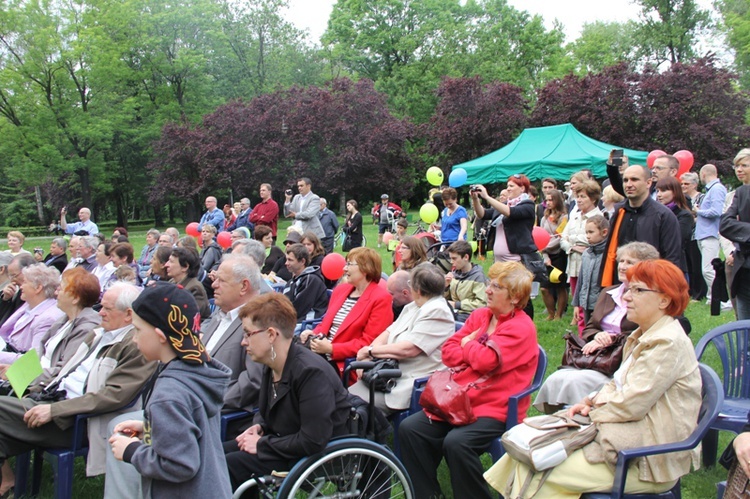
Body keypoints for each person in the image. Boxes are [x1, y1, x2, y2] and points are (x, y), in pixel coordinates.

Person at [486, 259, 700, 498]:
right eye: (628, 289)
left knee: (542, 467)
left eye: (638, 290)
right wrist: (590, 400)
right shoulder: (645, 334)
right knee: (526, 455)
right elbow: (618, 384)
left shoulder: (666, 342)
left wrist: (590, 413)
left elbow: (632, 403)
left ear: (665, 300)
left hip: (647, 459)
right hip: (626, 439)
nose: (627, 297)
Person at [399, 261, 539, 499]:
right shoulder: (481, 316)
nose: (488, 290)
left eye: (496, 286)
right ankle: (428, 494)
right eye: (489, 283)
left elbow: (485, 362)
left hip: (495, 407)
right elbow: (449, 352)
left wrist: (468, 344)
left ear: (515, 297)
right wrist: (471, 349)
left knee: (457, 443)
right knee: (410, 429)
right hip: (458, 400)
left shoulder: (521, 328)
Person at [0, 283, 157, 489]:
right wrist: (23, 380)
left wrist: (54, 409)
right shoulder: (98, 333)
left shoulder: (135, 345)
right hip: (51, 401)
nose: (99, 312)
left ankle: (8, 482)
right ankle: (8, 482)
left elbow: (113, 396)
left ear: (128, 314)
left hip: (76, 421)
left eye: (107, 309)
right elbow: (61, 371)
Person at [108, 283, 232, 499]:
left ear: (160, 335)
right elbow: (190, 431)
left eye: (137, 330)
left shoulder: (169, 394)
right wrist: (151, 427)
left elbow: (179, 464)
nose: (134, 338)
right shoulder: (196, 372)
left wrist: (132, 451)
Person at [223, 293, 352, 492]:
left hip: (313, 455)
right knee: (217, 455)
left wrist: (262, 444)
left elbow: (313, 439)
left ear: (271, 335)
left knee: (229, 465)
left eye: (248, 334)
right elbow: (268, 410)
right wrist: (258, 427)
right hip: (285, 440)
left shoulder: (310, 373)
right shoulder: (273, 362)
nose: (243, 342)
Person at [533, 242, 659, 414]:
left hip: (620, 361)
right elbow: (589, 327)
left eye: (630, 262)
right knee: (556, 379)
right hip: (595, 356)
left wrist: (610, 340)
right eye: (621, 261)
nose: (622, 266)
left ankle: (582, 420)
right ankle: (560, 419)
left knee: (575, 381)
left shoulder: (650, 299)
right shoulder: (609, 292)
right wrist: (598, 336)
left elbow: (644, 333)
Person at [349, 263, 454, 414]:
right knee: (342, 400)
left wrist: (371, 351)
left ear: (417, 290)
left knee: (350, 407)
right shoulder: (413, 306)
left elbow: (409, 349)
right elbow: (387, 333)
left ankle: (363, 433)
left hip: (406, 381)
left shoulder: (437, 311)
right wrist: (367, 358)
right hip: (386, 373)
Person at [300, 247, 393, 378]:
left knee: (298, 371)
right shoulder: (341, 290)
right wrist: (314, 333)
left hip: (343, 363)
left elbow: (369, 343)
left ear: (365, 268)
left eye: (349, 264)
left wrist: (331, 349)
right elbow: (327, 323)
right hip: (320, 353)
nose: (344, 269)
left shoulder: (381, 298)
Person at [600, 165, 683, 287]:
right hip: (618, 284)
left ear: (648, 182)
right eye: (625, 180)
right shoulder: (620, 212)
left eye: (634, 179)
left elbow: (671, 258)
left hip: (649, 285)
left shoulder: (663, 215)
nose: (628, 184)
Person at [32, 267, 101, 381]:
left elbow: (63, 371)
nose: (55, 293)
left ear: (75, 298)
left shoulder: (86, 329)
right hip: (36, 378)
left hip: (46, 388)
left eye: (61, 289)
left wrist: (20, 376)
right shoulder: (65, 320)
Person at [0, 264, 64, 364]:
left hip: (13, 367)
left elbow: (33, 359)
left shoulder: (48, 318)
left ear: (38, 288)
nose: (21, 286)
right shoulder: (29, 304)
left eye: (25, 282)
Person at [560, 179, 603, 317]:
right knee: (576, 299)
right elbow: (563, 237)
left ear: (593, 198)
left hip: (591, 264)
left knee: (588, 300)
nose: (578, 200)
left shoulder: (599, 217)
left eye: (583, 196)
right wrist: (573, 247)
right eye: (577, 196)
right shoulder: (575, 216)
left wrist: (573, 240)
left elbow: (592, 240)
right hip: (573, 263)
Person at [471, 175, 536, 263]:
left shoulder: (528, 205)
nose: (508, 189)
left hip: (517, 260)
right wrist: (475, 198)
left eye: (511, 186)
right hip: (499, 261)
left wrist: (487, 197)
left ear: (522, 188)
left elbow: (511, 212)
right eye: (507, 186)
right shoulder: (505, 204)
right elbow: (482, 214)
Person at [696, 164, 728, 304]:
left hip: (710, 233)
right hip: (704, 233)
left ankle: (724, 300)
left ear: (703, 174)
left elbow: (717, 211)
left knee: (708, 270)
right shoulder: (712, 189)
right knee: (708, 268)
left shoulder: (716, 189)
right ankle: (712, 298)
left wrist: (698, 211)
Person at [572, 215, 609, 325]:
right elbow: (581, 280)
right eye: (586, 232)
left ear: (604, 232)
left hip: (602, 304)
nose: (587, 236)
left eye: (591, 232)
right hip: (586, 303)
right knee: (588, 332)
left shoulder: (609, 255)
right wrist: (576, 304)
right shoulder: (586, 254)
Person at [540, 189, 569, 320]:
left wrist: (545, 246)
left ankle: (559, 314)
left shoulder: (564, 218)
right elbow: (541, 236)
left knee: (560, 286)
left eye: (551, 200)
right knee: (545, 288)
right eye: (547, 200)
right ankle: (551, 312)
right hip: (547, 255)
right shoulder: (544, 218)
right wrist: (544, 253)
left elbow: (560, 237)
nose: (549, 202)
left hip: (559, 255)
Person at [655, 176, 693, 277]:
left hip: (675, 267)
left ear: (675, 192)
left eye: (663, 191)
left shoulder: (684, 215)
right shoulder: (655, 213)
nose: (659, 195)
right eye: (657, 191)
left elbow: (677, 240)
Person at [282, 243, 328, 321]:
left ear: (303, 261)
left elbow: (298, 310)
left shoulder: (311, 280)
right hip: (291, 320)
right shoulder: (291, 282)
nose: (286, 263)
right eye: (286, 259)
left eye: (290, 260)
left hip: (306, 322)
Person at [681, 171, 708, 300]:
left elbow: (704, 216)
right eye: (682, 184)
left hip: (697, 234)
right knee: (689, 265)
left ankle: (700, 292)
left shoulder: (702, 198)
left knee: (697, 265)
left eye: (686, 184)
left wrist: (692, 218)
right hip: (686, 236)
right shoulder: (682, 199)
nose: (683, 186)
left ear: (694, 184)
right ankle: (690, 291)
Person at [444, 241, 487, 322]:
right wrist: (446, 287)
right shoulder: (454, 274)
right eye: (451, 258)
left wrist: (457, 305)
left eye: (454, 258)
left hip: (469, 315)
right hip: (454, 311)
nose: (451, 262)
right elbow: (446, 299)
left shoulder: (478, 277)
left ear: (466, 257)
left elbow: (482, 304)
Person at [164, 247, 211, 320]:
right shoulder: (172, 282)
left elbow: (188, 318)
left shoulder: (195, 288)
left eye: (171, 261)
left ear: (185, 267)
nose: (166, 264)